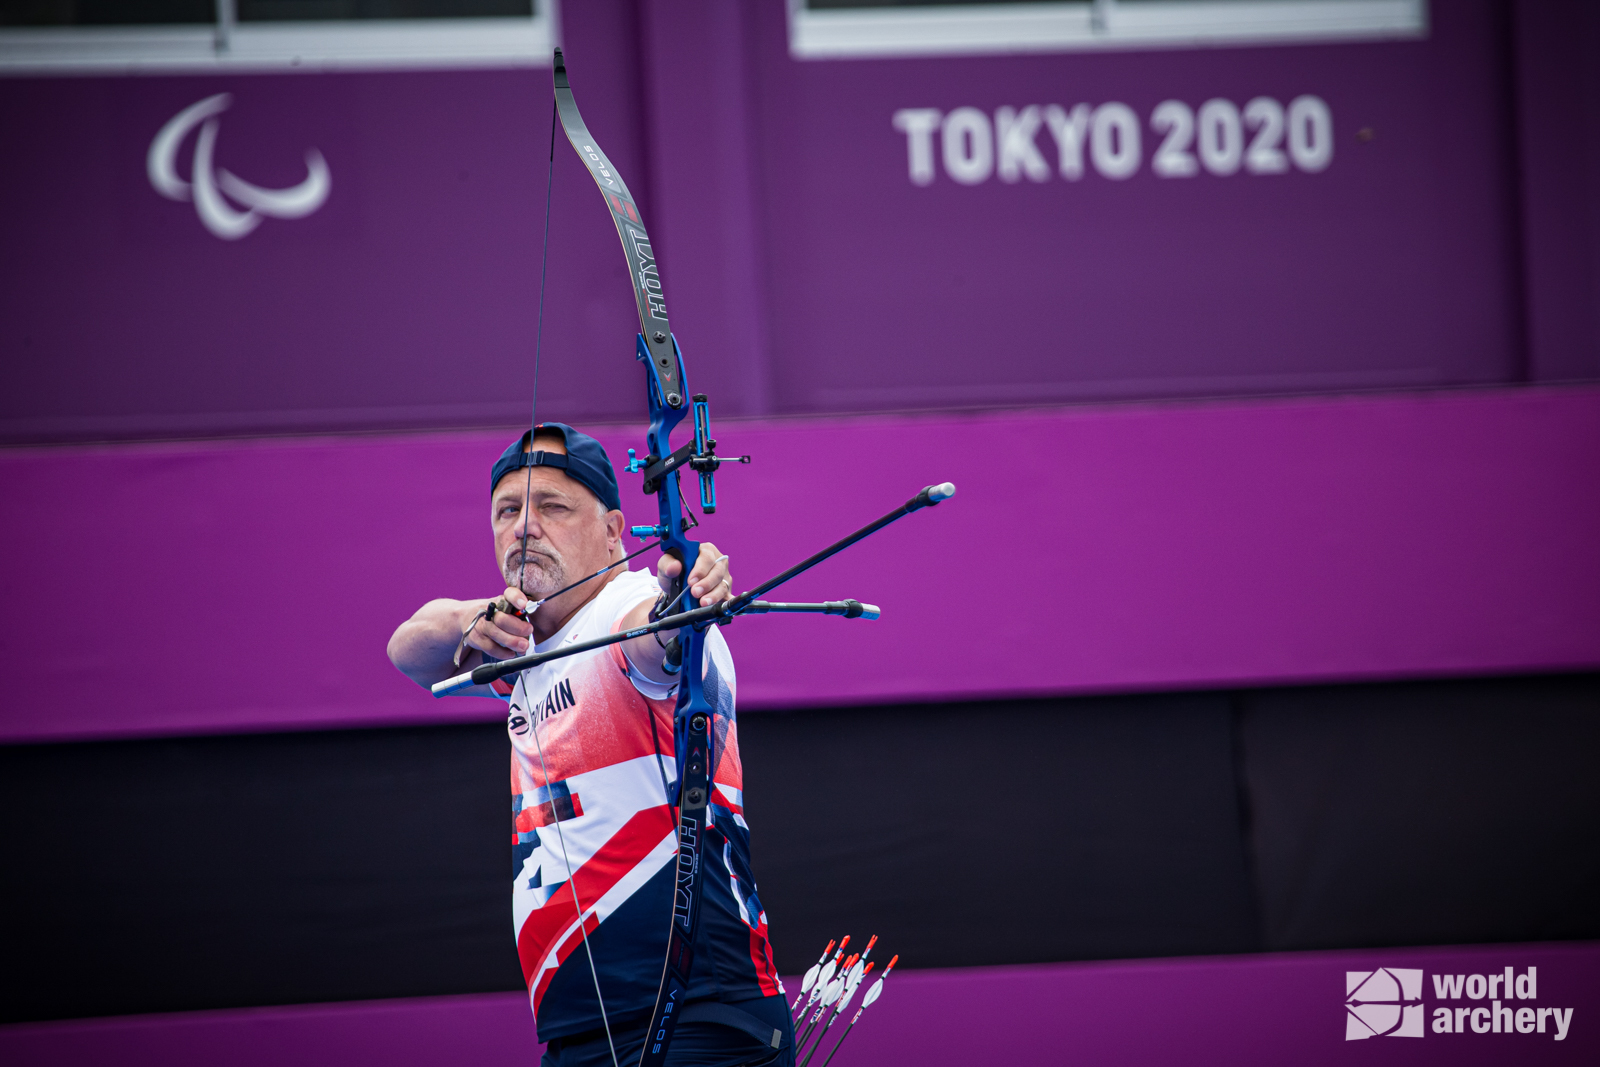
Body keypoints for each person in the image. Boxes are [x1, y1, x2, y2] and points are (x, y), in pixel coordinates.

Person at [388, 424, 792, 1067]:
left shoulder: (622, 608)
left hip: (697, 1015)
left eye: (551, 505)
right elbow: (408, 647)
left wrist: (679, 610)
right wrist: (474, 620)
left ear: (612, 532)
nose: (523, 526)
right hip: (582, 1032)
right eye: (507, 510)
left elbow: (650, 641)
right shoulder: (519, 643)